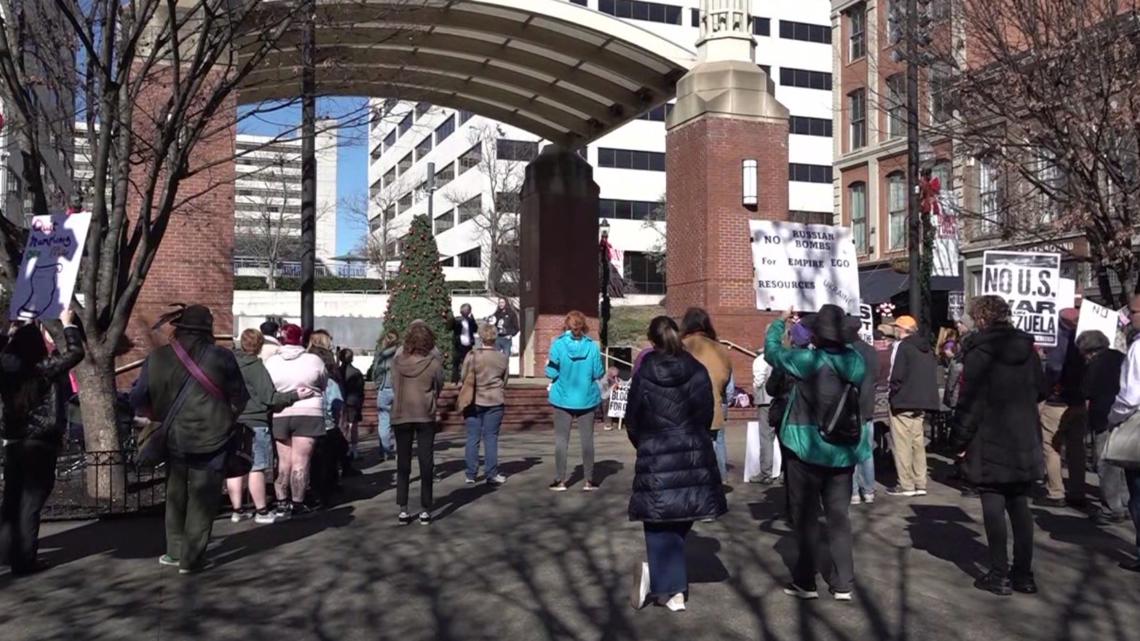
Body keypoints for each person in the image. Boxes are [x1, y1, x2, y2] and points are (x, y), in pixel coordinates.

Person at [130, 305, 247, 574]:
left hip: (171, 435)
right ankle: (192, 559)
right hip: (214, 436)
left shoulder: (157, 357)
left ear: (180, 328)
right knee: (203, 498)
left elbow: (138, 398)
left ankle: (174, 551)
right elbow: (240, 396)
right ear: (208, 329)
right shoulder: (223, 358)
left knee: (175, 493)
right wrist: (225, 417)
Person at [765, 305, 868, 601]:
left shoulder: (806, 361)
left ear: (818, 335)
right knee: (839, 517)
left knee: (806, 517)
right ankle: (843, 582)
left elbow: (773, 353)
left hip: (805, 446)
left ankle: (806, 581)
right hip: (843, 450)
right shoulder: (857, 362)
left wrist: (778, 324)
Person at [627, 316, 727, 612]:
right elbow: (706, 413)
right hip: (692, 452)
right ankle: (669, 588)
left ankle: (666, 586)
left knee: (659, 523)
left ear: (652, 340)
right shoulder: (697, 370)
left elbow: (633, 419)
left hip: (657, 451)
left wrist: (644, 443)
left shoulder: (644, 373)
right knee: (679, 518)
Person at [950, 296, 1047, 595]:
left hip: (990, 438)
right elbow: (1041, 389)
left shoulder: (981, 352)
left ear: (981, 318)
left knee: (994, 506)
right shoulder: (1028, 351)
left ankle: (999, 573)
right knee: (1020, 507)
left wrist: (958, 441)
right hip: (1023, 437)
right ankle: (1024, 574)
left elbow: (971, 402)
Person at [0, 311, 84, 576]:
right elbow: (75, 353)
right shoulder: (44, 369)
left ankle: (7, 553)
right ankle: (24, 560)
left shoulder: (5, 369)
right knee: (30, 503)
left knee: (12, 500)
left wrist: (8, 332)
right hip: (41, 443)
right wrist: (68, 323)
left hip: (13, 442)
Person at [227, 329, 309, 524]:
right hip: (256, 421)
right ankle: (261, 511)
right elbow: (269, 397)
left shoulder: (230, 366)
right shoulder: (256, 367)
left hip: (234, 420)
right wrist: (295, 396)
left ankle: (237, 510)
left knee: (235, 467)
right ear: (259, 345)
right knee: (257, 467)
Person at [264, 323, 328, 520]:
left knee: (283, 461)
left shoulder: (271, 362)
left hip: (281, 413)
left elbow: (268, 387)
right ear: (301, 339)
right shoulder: (314, 360)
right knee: (301, 461)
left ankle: (282, 502)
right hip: (309, 412)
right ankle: (298, 502)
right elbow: (323, 382)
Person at [546, 310, 605, 492]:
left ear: (566, 324)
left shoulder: (558, 345)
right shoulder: (592, 347)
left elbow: (551, 372)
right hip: (586, 398)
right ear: (584, 325)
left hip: (562, 398)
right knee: (587, 440)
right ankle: (589, 480)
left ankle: (560, 480)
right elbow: (598, 373)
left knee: (561, 440)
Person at [392, 322, 445, 524]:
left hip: (401, 413)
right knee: (426, 462)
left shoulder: (397, 362)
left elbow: (394, 385)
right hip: (425, 414)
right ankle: (425, 508)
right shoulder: (433, 364)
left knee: (403, 463)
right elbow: (438, 386)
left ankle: (403, 508)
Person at [1078, 330, 1128, 525]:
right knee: (1124, 462)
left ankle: (1111, 508)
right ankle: (1125, 503)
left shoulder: (1095, 365)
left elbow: (1086, 390)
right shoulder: (1122, 357)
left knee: (1106, 463)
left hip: (1104, 416)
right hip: (1126, 415)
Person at [886, 315, 939, 497]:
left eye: (896, 328)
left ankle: (906, 484)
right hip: (922, 402)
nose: (894, 331)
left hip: (903, 401)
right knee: (917, 444)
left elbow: (897, 375)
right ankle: (920, 482)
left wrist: (892, 393)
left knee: (902, 445)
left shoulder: (904, 347)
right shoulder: (927, 349)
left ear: (902, 330)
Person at [1039, 309, 1088, 509]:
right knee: (1077, 448)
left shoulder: (1059, 339)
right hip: (1079, 400)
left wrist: (1051, 385)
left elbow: (1054, 368)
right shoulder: (1086, 338)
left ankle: (1056, 492)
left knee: (1052, 447)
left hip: (1058, 401)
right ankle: (1077, 492)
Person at [681, 308, 733, 482]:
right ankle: (719, 479)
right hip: (714, 406)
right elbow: (729, 385)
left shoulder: (681, 347)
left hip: (686, 409)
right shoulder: (721, 349)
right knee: (716, 444)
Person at [1108, 293, 1140, 572]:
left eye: (1134, 312)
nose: (1129, 317)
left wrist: (1113, 417)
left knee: (1139, 493)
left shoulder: (1138, 349)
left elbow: (1129, 397)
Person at [462, 323, 510, 486]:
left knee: (473, 437)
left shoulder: (472, 355)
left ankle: (470, 473)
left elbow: (464, 376)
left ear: (480, 337)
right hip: (495, 399)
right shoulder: (502, 357)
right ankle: (491, 473)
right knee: (491, 438)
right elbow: (505, 380)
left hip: (474, 399)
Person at [851, 333, 880, 505]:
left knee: (851, 452)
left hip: (851, 409)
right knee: (867, 452)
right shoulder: (871, 351)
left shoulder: (847, 352)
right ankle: (869, 490)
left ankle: (854, 491)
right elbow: (876, 377)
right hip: (868, 407)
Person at [373, 331, 399, 462]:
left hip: (384, 389)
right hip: (399, 390)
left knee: (384, 421)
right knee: (399, 421)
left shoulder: (381, 354)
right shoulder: (401, 354)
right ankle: (397, 449)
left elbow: (376, 372)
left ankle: (385, 450)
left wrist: (378, 386)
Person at [751, 348, 776, 484]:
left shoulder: (761, 360)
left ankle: (766, 472)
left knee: (766, 437)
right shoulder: (783, 356)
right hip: (781, 400)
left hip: (765, 400)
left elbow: (758, 381)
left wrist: (756, 393)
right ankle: (785, 472)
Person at [338, 348, 365, 463]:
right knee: (353, 426)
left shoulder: (337, 372)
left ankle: (343, 450)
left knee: (342, 427)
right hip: (353, 401)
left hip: (340, 401)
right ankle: (354, 451)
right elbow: (360, 389)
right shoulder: (356, 372)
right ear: (352, 358)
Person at [451, 304, 478, 383]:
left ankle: (467, 381)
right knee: (456, 364)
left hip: (468, 346)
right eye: (463, 310)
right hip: (458, 345)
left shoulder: (470, 320)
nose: (465, 312)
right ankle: (454, 381)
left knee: (468, 364)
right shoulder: (457, 320)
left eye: (467, 310)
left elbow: (475, 329)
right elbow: (450, 326)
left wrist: (473, 320)